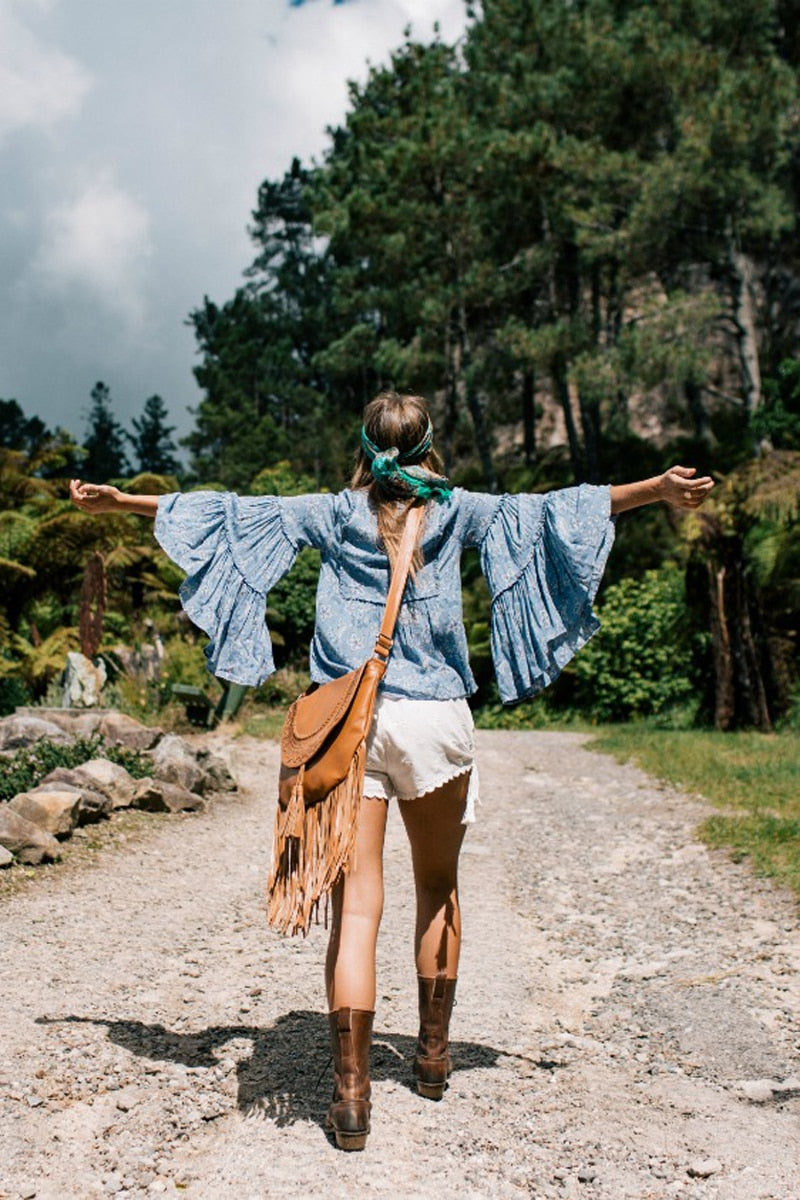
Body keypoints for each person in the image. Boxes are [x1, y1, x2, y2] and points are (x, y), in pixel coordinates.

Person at [70, 390, 714, 1150]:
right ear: (429, 447)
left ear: (364, 448)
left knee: (356, 913)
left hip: (351, 722)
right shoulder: (461, 510)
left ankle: (350, 1100)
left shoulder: (331, 513)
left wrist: (121, 504)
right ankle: (434, 1060)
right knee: (438, 888)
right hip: (435, 720)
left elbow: (226, 512)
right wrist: (656, 488)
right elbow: (558, 511)